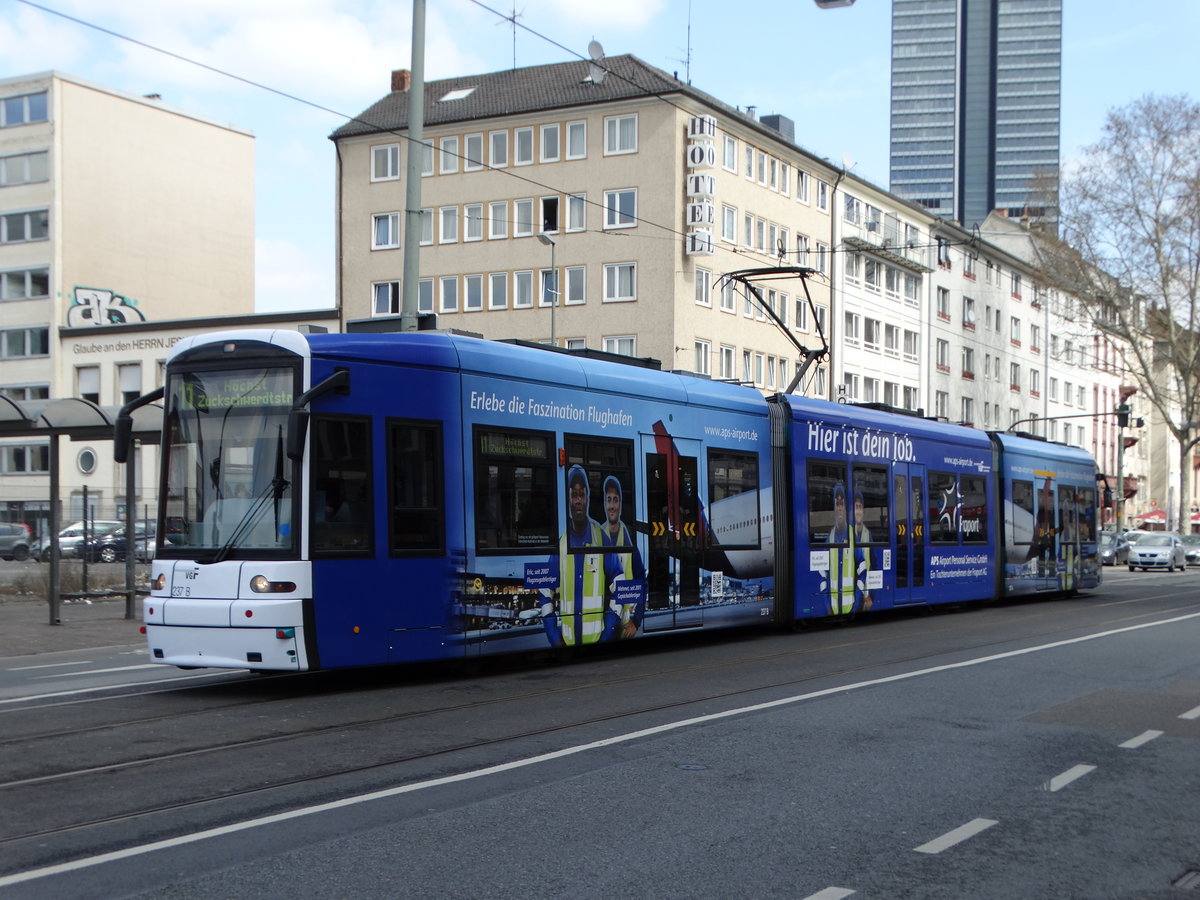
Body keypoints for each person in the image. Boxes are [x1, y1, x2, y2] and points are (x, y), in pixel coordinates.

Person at [539, 465, 625, 647]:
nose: (578, 500)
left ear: (587, 498)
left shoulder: (601, 538)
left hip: (597, 644)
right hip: (567, 645)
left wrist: (607, 634)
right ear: (568, 500)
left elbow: (620, 585)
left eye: (582, 494)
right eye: (573, 494)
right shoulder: (561, 544)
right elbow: (546, 591)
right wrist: (555, 638)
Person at [601, 475, 646, 639]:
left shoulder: (629, 540)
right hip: (602, 623)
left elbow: (641, 581)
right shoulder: (596, 538)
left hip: (625, 625)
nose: (612, 505)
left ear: (620, 505)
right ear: (605, 504)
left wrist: (636, 620)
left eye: (616, 500)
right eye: (609, 500)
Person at [824, 483, 872, 614]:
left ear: (845, 508)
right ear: (833, 508)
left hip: (851, 607)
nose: (839, 507)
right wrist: (827, 605)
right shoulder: (830, 538)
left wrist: (857, 603)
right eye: (837, 503)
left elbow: (862, 571)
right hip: (833, 609)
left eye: (842, 504)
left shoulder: (853, 535)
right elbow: (824, 576)